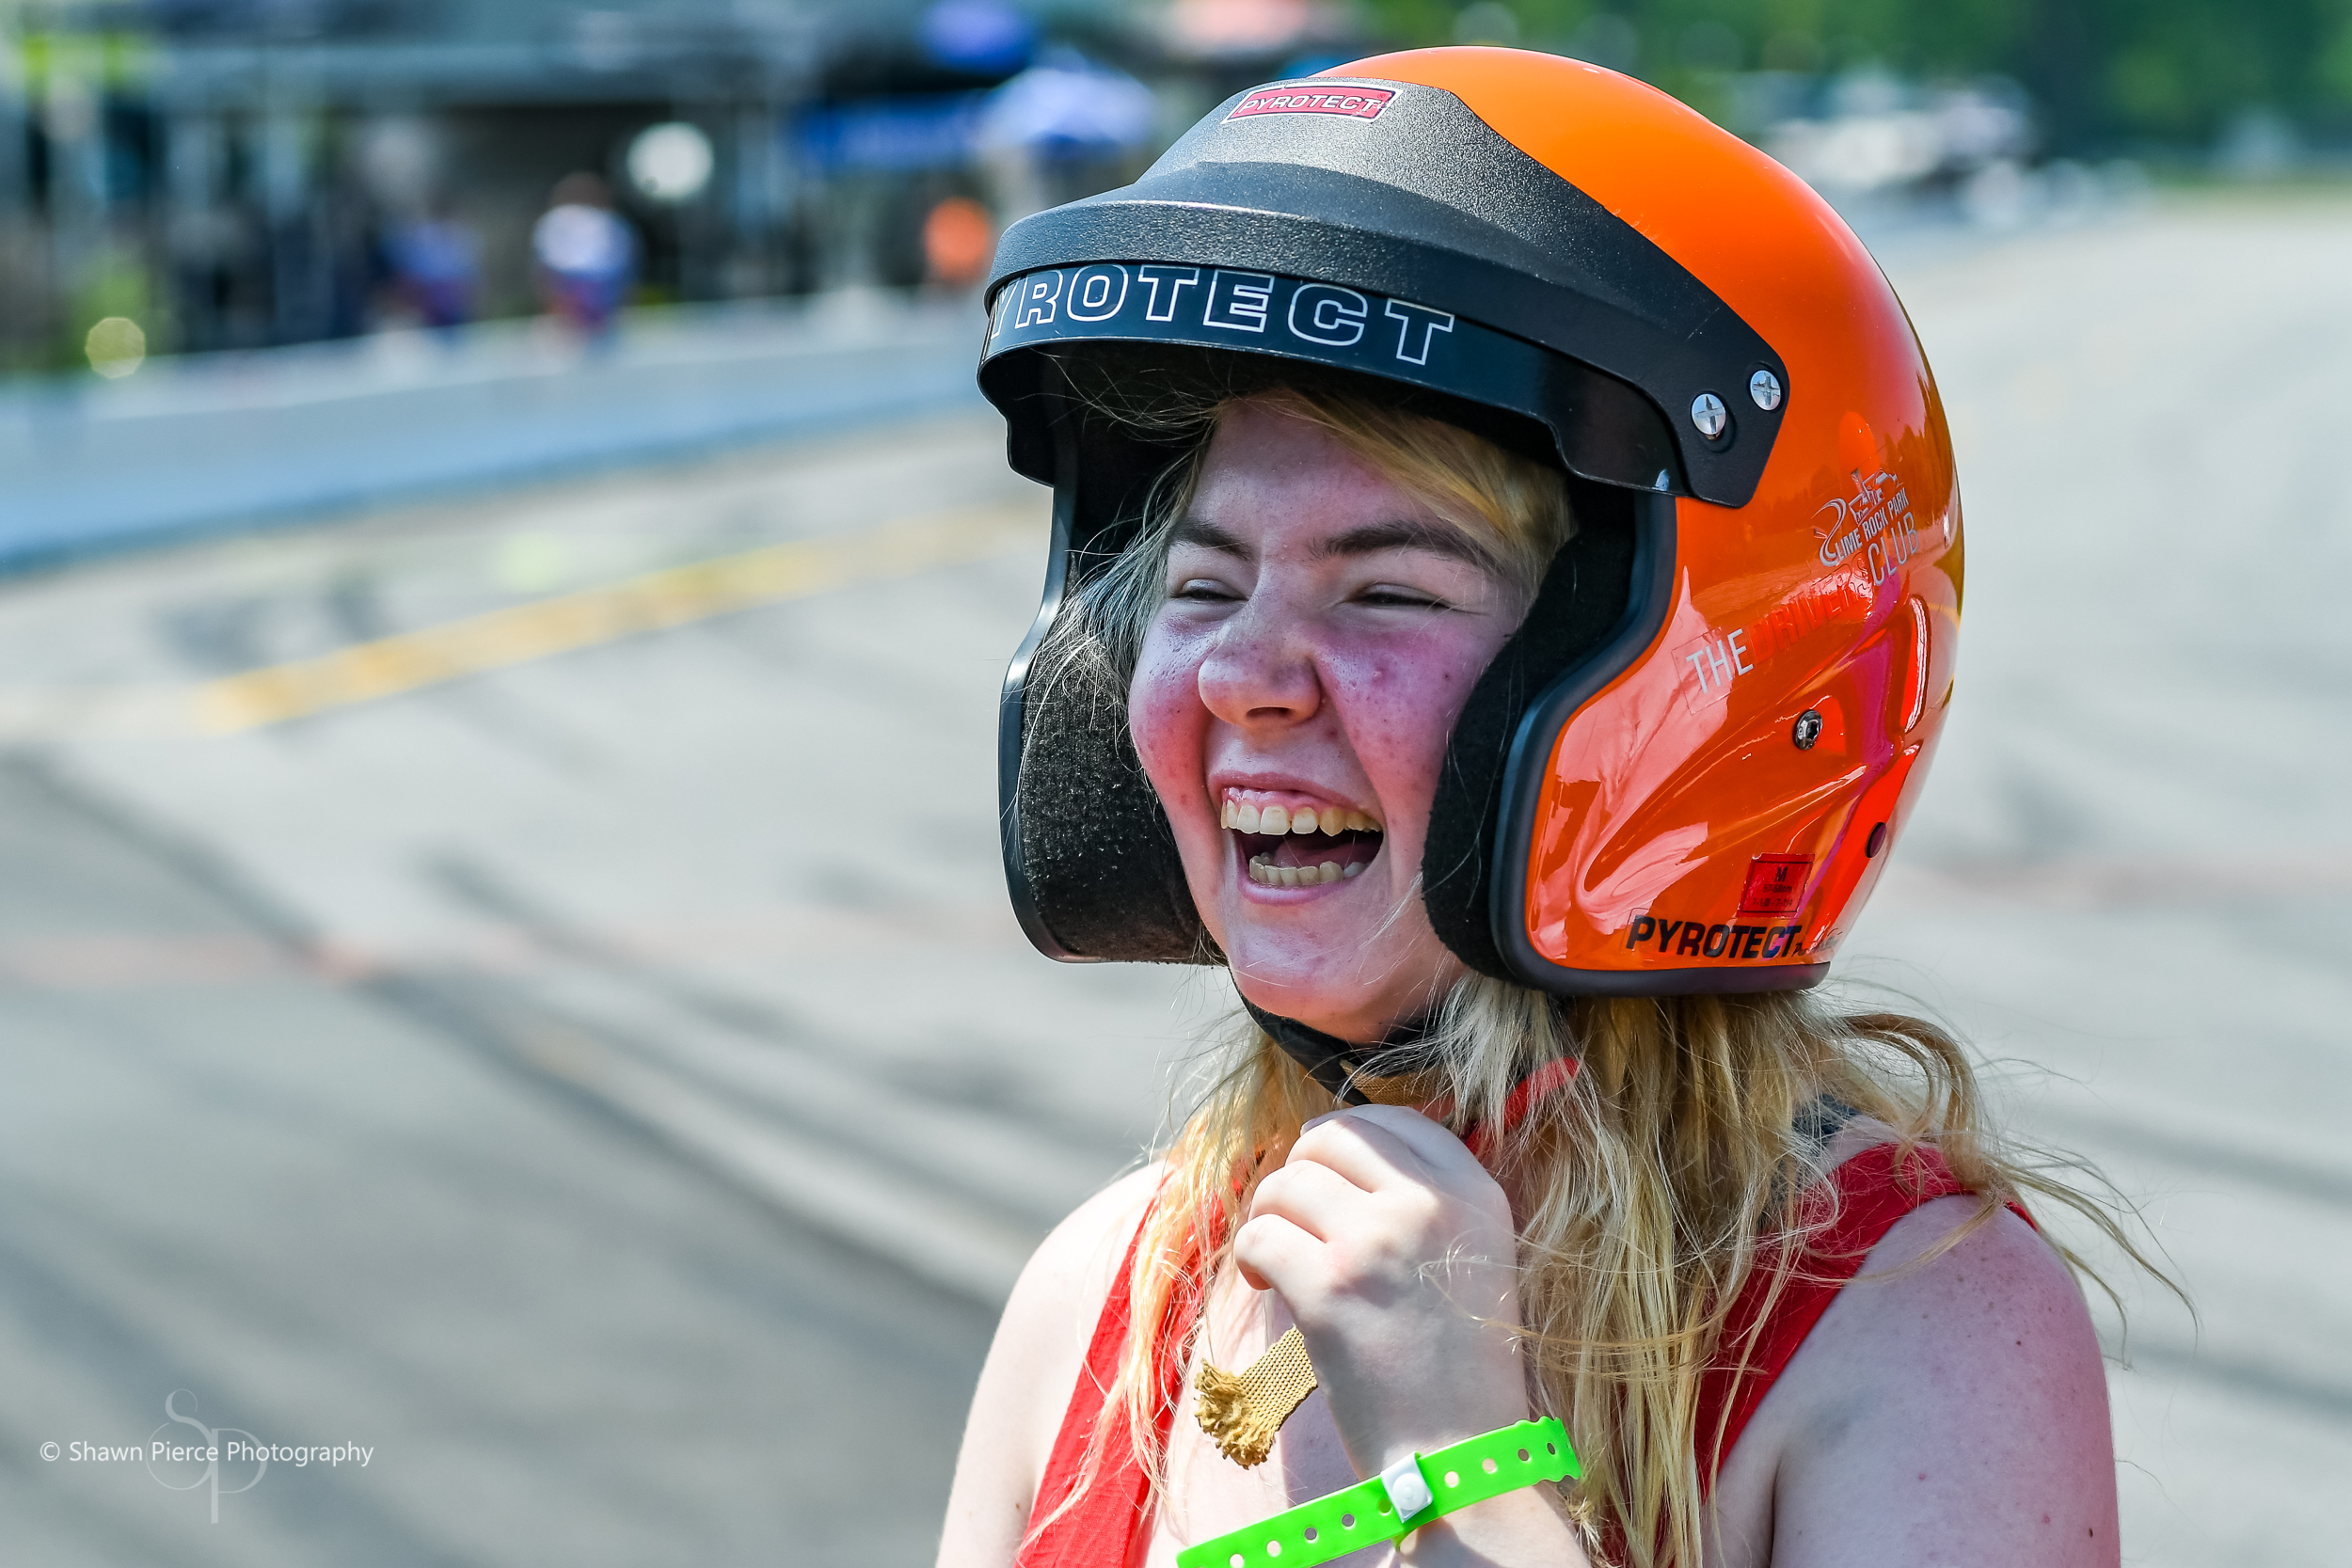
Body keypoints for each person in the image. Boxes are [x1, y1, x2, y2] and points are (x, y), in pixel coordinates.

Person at [943, 48, 2144, 1568]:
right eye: (1201, 584)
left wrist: (1462, 1469)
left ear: (1699, 682)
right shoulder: (1099, 1302)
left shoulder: (1915, 1324)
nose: (1245, 675)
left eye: (1386, 587)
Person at [532, 172, 637, 339]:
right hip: (571, 284)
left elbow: (623, 264)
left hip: (601, 285)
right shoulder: (556, 222)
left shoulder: (611, 223)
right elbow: (547, 268)